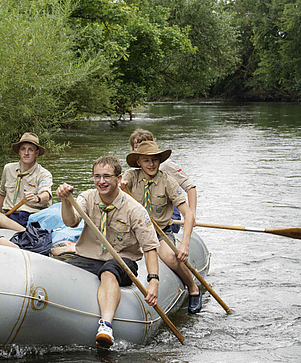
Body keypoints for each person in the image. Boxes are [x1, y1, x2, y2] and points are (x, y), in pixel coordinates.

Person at [56, 156, 160, 348]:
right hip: (88, 257)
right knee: (60, 269)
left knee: (109, 271)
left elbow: (150, 246)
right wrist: (65, 201)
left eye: (107, 176)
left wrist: (153, 280)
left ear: (119, 178)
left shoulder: (134, 209)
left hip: (121, 261)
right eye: (97, 176)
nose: (101, 181)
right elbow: (71, 222)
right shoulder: (86, 198)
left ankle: (105, 326)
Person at [121, 140, 202, 314]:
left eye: (155, 160)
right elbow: (116, 189)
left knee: (171, 258)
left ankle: (193, 288)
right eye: (146, 160)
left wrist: (185, 244)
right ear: (138, 162)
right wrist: (119, 188)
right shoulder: (130, 177)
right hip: (134, 231)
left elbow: (187, 214)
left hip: (159, 231)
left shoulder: (168, 182)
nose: (151, 164)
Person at [129, 129, 197, 231]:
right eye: (136, 146)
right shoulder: (132, 173)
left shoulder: (166, 165)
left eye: (145, 144)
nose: (141, 149)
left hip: (167, 213)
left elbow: (190, 187)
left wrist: (191, 215)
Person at [0, 133, 53, 231]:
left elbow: (46, 195)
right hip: (10, 217)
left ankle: (26, 233)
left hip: (32, 218)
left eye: (31, 150)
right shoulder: (8, 169)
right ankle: (24, 233)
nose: (26, 153)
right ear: (19, 152)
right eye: (23, 149)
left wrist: (36, 198)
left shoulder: (44, 174)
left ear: (36, 153)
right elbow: (1, 195)